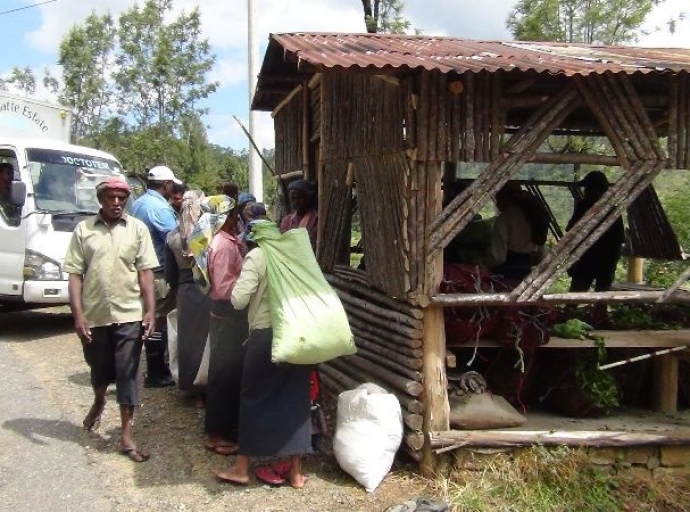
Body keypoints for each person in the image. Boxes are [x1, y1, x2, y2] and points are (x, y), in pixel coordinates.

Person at [63, 178, 158, 463]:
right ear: (101, 199)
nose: (116, 203)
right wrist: (78, 314)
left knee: (128, 371)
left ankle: (127, 434)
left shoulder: (137, 229)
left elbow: (146, 273)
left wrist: (150, 311)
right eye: (111, 198)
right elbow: (74, 275)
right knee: (99, 367)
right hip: (95, 314)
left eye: (121, 198)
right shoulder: (84, 230)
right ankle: (99, 398)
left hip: (129, 313)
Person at [215, 220, 311, 488]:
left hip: (266, 336)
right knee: (295, 400)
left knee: (252, 398)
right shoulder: (292, 254)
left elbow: (238, 300)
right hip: (297, 335)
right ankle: (295, 473)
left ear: (253, 238)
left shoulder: (256, 256)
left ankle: (242, 468)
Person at [203, 195, 248, 455]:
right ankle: (216, 433)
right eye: (233, 214)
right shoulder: (224, 246)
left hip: (225, 315)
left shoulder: (223, 242)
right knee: (223, 374)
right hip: (227, 314)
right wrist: (246, 286)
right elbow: (222, 288)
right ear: (225, 217)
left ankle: (223, 426)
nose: (236, 218)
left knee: (227, 373)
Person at [130, 165, 183, 388]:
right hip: (158, 272)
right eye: (172, 185)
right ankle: (155, 371)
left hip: (141, 269)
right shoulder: (158, 209)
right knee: (158, 321)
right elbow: (175, 239)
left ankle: (150, 368)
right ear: (166, 185)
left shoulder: (139, 203)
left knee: (149, 319)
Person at [164, 189, 209, 403]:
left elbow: (170, 274)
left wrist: (178, 290)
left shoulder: (172, 237)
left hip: (185, 291)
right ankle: (208, 385)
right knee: (207, 340)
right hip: (207, 290)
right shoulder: (208, 234)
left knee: (188, 340)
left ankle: (192, 388)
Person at [567, 171, 625, 292]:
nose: (585, 191)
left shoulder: (584, 206)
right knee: (597, 298)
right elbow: (619, 240)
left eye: (588, 188)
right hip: (599, 260)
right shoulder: (611, 209)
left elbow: (570, 231)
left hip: (590, 259)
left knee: (577, 296)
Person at [483, 181, 549, 281]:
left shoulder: (506, 217)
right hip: (526, 268)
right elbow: (541, 250)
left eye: (497, 198)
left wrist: (480, 265)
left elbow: (498, 258)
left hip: (507, 271)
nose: (497, 204)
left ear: (504, 197)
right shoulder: (534, 216)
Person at [280, 179, 317, 250]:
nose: (296, 202)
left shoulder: (316, 219)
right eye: (293, 198)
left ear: (308, 198)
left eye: (299, 198)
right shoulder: (287, 221)